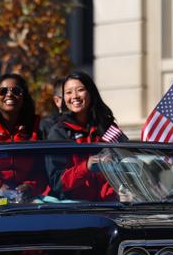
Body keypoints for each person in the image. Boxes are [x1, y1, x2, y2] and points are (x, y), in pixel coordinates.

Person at [45, 71, 126, 200]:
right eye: (68, 92)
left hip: (111, 204)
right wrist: (86, 167)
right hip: (76, 207)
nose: (75, 96)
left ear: (91, 93)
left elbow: (125, 159)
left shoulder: (107, 126)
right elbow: (57, 183)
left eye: (80, 90)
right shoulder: (58, 132)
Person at [0, 73, 47, 201]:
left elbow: (44, 170)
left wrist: (30, 186)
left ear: (24, 97)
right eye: (2, 91)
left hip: (29, 197)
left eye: (16, 91)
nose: (9, 94)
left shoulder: (37, 128)